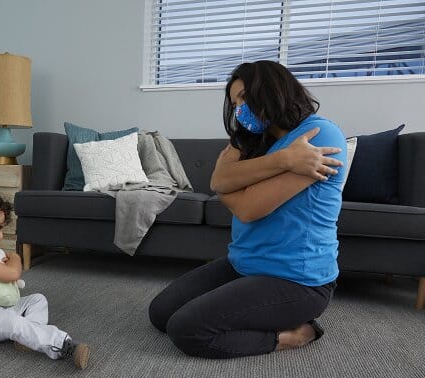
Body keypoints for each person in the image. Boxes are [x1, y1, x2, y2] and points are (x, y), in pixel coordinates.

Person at [149, 60, 347, 358]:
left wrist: (232, 189)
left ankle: (295, 334)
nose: (239, 109)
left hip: (296, 281)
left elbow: (249, 209)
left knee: (186, 330)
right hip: (244, 265)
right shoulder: (253, 140)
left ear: (273, 91)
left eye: (244, 97)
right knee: (160, 313)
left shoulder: (320, 136)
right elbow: (218, 180)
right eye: (234, 102)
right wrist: (284, 160)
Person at [0, 182, 90, 369]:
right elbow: (11, 274)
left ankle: (26, 337)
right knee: (12, 321)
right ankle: (63, 345)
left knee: (38, 299)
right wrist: (16, 258)